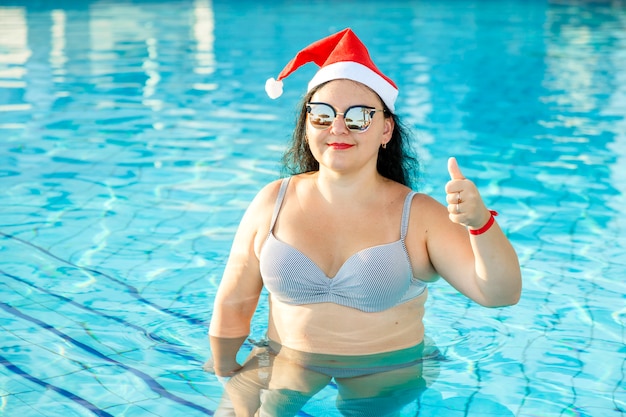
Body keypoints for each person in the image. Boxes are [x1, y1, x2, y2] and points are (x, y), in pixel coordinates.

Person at [205, 28, 522, 416]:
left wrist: (479, 224)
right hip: (288, 360)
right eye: (322, 115)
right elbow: (235, 300)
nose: (337, 128)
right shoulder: (272, 201)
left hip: (387, 367)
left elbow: (501, 294)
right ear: (307, 126)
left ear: (386, 129)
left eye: (358, 117)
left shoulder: (418, 216)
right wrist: (224, 371)